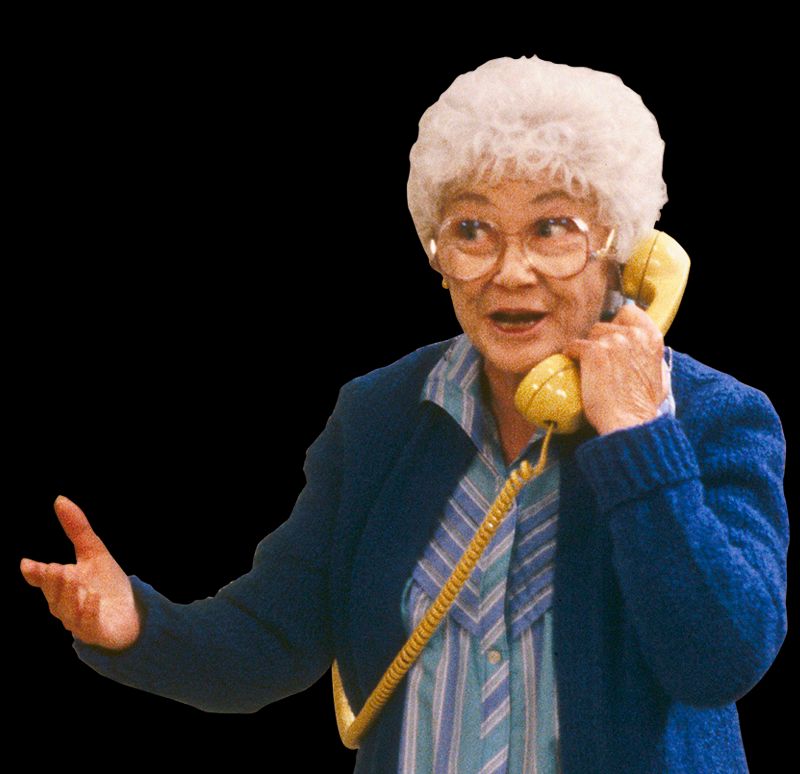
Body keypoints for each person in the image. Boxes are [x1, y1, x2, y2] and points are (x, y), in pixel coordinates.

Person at [20, 55, 788, 773]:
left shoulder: (716, 420)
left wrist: (640, 437)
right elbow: (271, 639)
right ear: (438, 253)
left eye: (553, 228)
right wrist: (135, 625)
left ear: (625, 251)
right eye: (472, 231)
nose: (509, 271)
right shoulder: (381, 417)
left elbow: (720, 659)